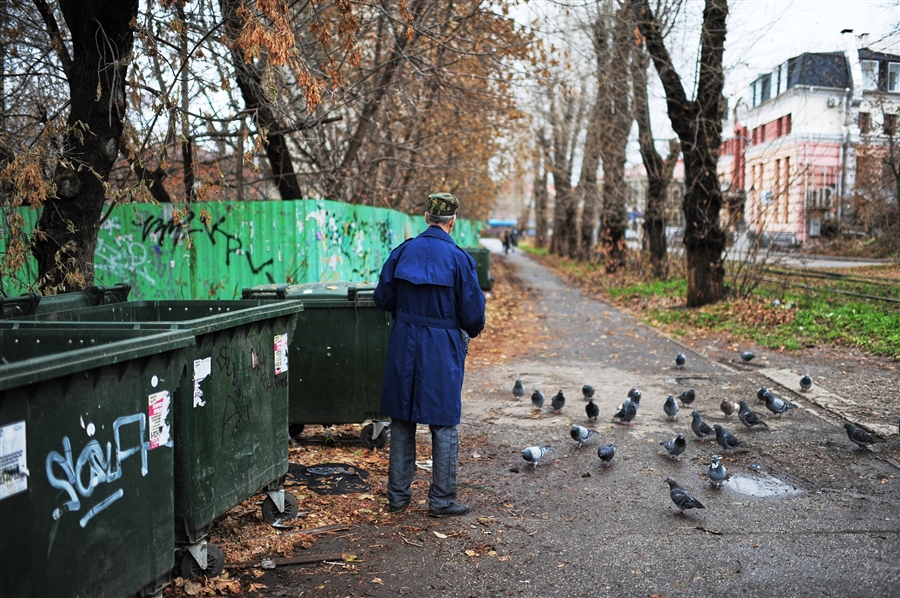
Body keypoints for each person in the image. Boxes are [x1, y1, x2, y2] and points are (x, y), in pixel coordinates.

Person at [373, 192, 486, 518]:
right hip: (442, 347)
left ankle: (397, 497)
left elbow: (382, 298)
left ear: (426, 217)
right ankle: (441, 501)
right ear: (452, 221)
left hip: (404, 341)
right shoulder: (459, 260)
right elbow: (474, 316)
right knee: (444, 423)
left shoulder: (403, 252)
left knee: (403, 419)